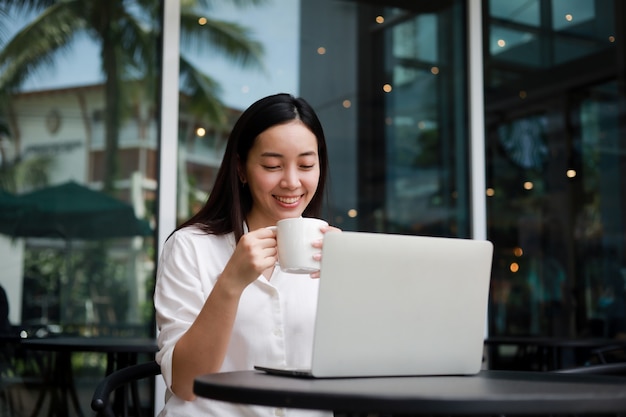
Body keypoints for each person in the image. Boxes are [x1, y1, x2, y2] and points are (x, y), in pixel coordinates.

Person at [154, 93, 337, 417]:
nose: (292, 182)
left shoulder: (334, 252)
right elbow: (185, 383)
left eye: (306, 165)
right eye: (272, 165)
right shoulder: (190, 247)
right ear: (241, 168)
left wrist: (355, 286)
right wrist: (231, 283)